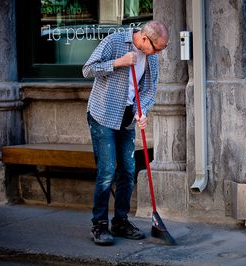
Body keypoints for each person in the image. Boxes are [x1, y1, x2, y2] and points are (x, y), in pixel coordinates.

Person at [82, 20, 169, 246]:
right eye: (156, 48)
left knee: (128, 171)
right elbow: (87, 69)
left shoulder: (151, 58)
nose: (157, 53)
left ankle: (120, 221)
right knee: (107, 171)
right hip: (103, 114)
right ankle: (99, 225)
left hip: (128, 118)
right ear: (143, 39)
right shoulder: (114, 41)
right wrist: (118, 62)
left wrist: (144, 111)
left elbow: (149, 90)